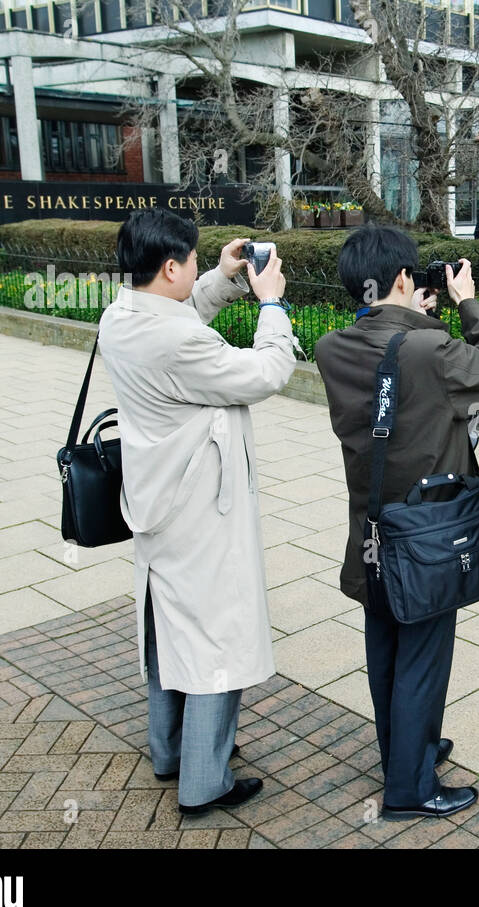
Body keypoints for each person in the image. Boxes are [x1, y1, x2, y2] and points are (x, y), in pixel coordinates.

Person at [97, 209, 301, 815]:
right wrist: (269, 304)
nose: (193, 269)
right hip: (200, 508)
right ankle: (205, 781)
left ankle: (170, 751)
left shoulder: (121, 314)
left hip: (154, 498)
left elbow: (180, 318)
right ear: (167, 266)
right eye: (189, 261)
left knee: (168, 625)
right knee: (217, 636)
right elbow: (266, 373)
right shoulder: (177, 339)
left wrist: (217, 276)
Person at [314, 226, 479, 820]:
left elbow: (386, 359)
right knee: (424, 657)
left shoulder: (333, 348)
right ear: (404, 280)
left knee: (385, 648)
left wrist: (411, 317)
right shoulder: (430, 351)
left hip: (373, 528)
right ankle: (410, 788)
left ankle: (405, 752)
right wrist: (465, 301)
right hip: (428, 535)